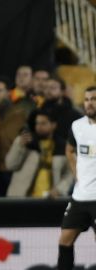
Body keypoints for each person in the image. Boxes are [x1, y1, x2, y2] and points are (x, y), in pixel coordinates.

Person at [57, 86, 96, 270]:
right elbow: (69, 150)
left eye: (94, 99)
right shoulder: (77, 126)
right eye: (87, 99)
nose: (90, 103)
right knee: (65, 240)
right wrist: (76, 174)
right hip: (80, 196)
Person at [5, 110, 73, 198]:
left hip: (50, 200)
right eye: (37, 123)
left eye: (43, 123)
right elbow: (10, 165)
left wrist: (59, 189)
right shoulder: (25, 141)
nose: (39, 127)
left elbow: (70, 173)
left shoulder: (62, 146)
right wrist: (20, 146)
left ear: (53, 125)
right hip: (22, 198)